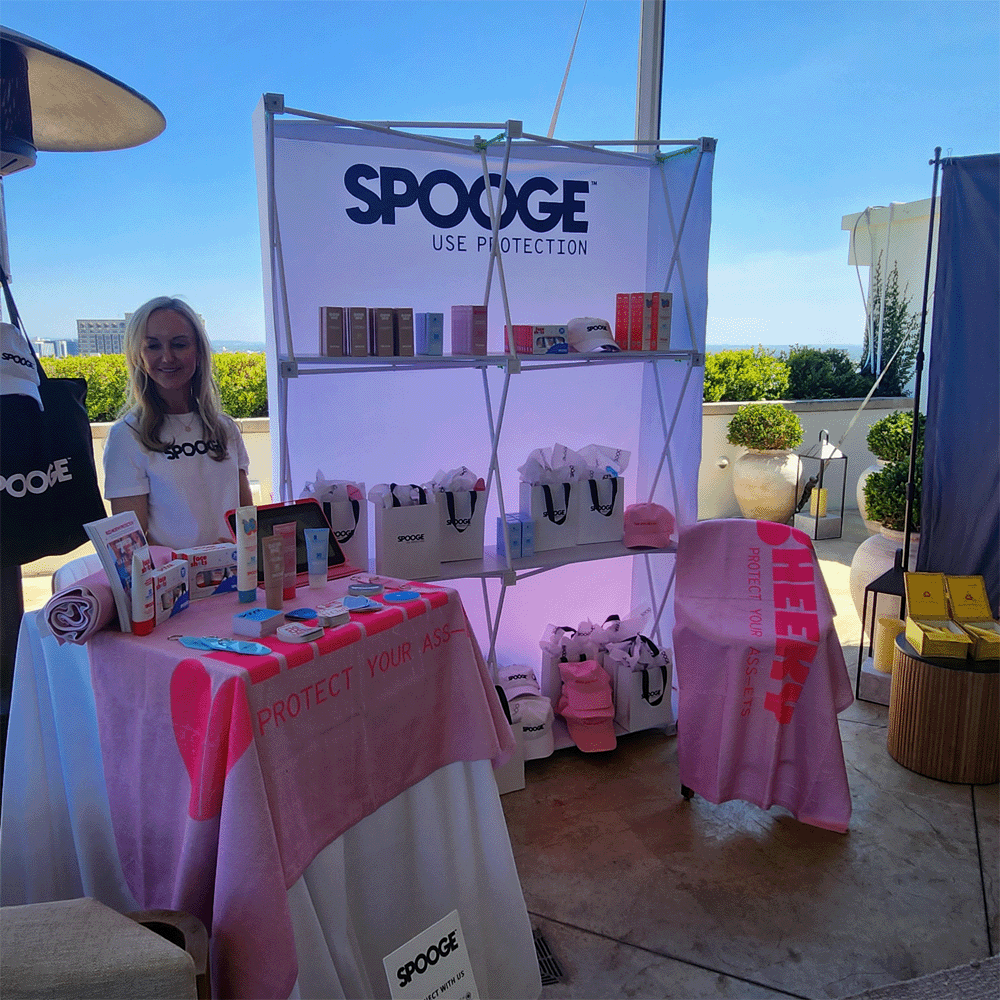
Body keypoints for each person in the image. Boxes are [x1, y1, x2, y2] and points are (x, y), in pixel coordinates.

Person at [103, 297, 253, 549]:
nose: (167, 357)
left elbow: (247, 521)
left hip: (235, 571)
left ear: (199, 351)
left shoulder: (225, 428)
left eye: (179, 344)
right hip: (174, 574)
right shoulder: (126, 435)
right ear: (138, 355)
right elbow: (131, 546)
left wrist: (239, 550)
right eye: (153, 346)